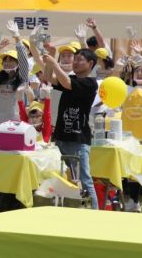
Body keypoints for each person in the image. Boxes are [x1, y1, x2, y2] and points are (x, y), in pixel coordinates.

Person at [43, 48, 99, 209]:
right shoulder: (71, 78)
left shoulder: (90, 83)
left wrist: (54, 63)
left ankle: (96, 214)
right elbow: (49, 78)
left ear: (90, 64)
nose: (75, 62)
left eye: (79, 60)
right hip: (61, 137)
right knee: (61, 176)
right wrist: (51, 58)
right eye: (75, 59)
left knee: (84, 179)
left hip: (78, 139)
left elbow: (67, 83)